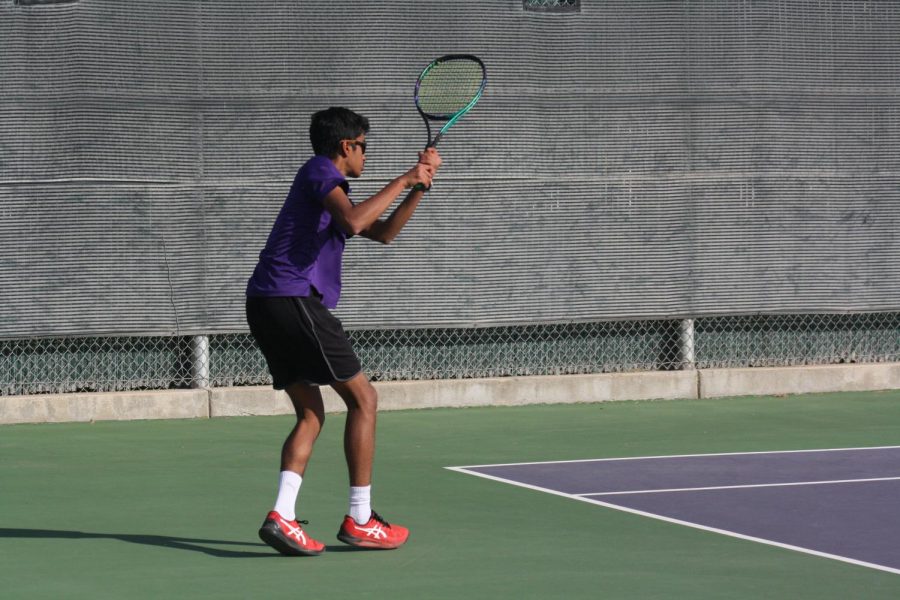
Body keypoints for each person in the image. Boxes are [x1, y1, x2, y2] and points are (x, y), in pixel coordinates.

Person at [246, 106, 441, 556]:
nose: (366, 157)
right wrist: (405, 178)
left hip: (265, 303)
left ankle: (283, 517)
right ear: (346, 147)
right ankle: (360, 519)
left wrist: (419, 188)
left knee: (312, 413)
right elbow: (354, 222)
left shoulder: (330, 192)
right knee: (364, 399)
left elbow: (384, 231)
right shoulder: (318, 170)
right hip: (290, 298)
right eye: (365, 148)